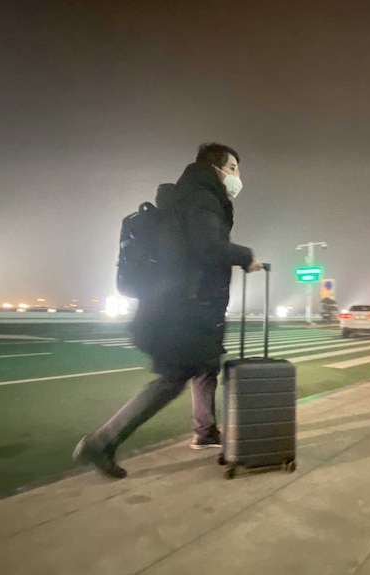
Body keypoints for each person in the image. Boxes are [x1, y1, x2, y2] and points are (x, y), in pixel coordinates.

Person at [73, 143, 263, 478]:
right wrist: (245, 256)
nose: (238, 176)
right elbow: (208, 247)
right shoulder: (203, 198)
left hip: (183, 305)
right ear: (217, 169)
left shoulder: (188, 196)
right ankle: (100, 442)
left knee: (207, 364)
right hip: (184, 310)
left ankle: (205, 433)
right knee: (173, 379)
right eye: (234, 168)